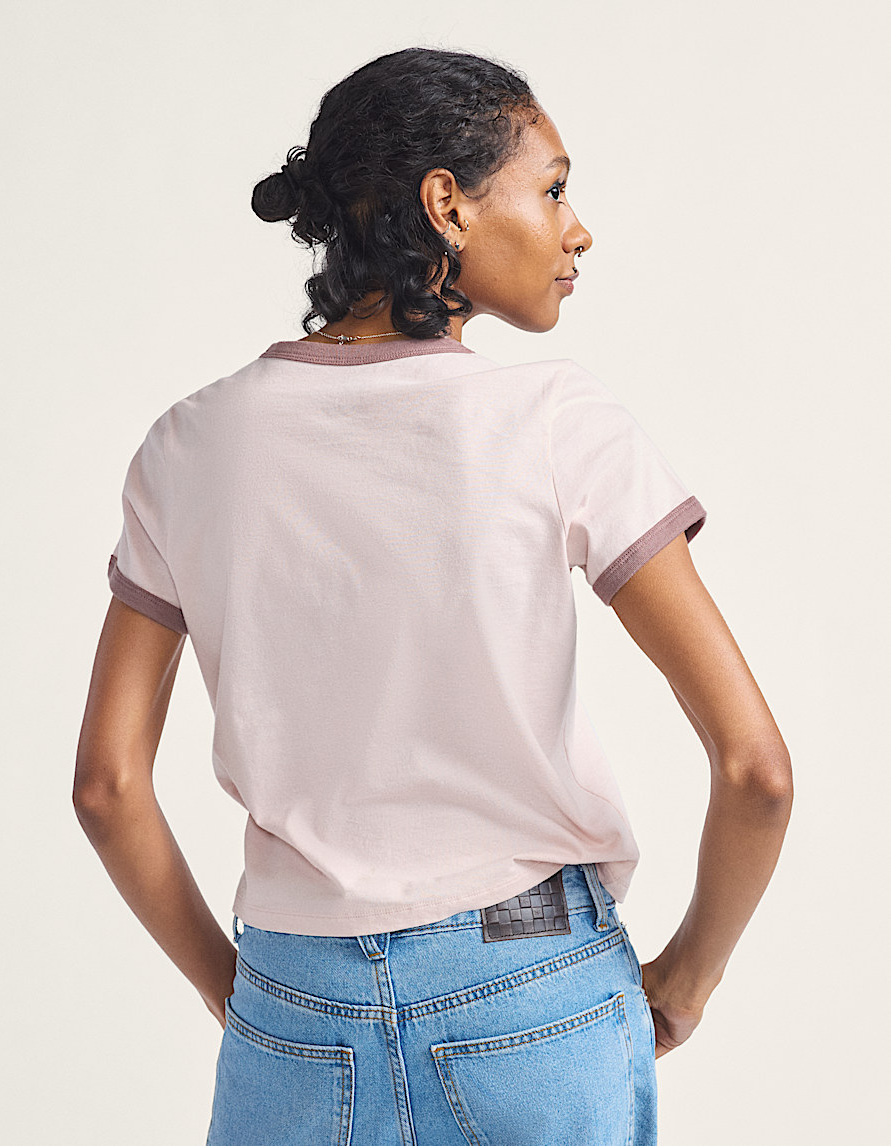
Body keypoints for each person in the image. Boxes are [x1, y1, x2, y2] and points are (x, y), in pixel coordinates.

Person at [73, 46, 793, 1145]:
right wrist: (688, 979)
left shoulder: (186, 447)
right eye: (553, 189)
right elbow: (757, 771)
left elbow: (107, 786)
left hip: (293, 999)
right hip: (534, 992)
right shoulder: (555, 423)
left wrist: (249, 1000)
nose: (578, 230)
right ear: (446, 205)